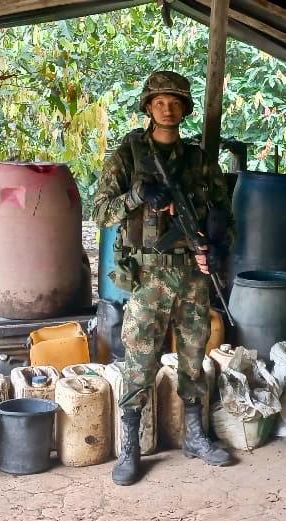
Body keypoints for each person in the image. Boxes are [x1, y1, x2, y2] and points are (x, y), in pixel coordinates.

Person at [93, 70, 233, 485]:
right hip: (147, 279)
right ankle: (131, 447)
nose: (167, 108)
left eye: (175, 102)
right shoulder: (127, 156)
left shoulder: (199, 160)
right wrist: (138, 196)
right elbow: (101, 212)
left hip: (192, 274)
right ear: (148, 107)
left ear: (184, 109)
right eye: (159, 102)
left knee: (194, 359)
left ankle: (195, 435)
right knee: (138, 363)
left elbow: (224, 211)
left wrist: (219, 245)